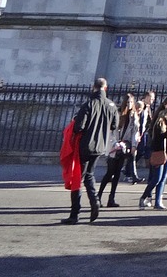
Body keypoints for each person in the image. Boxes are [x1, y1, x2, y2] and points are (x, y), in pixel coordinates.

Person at [63, 77, 118, 224]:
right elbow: (114, 126)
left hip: (86, 145)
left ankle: (75, 213)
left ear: (93, 88)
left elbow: (79, 127)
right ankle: (95, 202)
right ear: (105, 88)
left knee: (78, 178)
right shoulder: (112, 106)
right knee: (89, 175)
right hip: (101, 146)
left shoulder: (88, 104)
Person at [139, 97, 167, 210]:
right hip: (160, 151)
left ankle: (158, 202)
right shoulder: (161, 120)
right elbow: (159, 136)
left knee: (163, 178)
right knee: (157, 178)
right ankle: (144, 197)